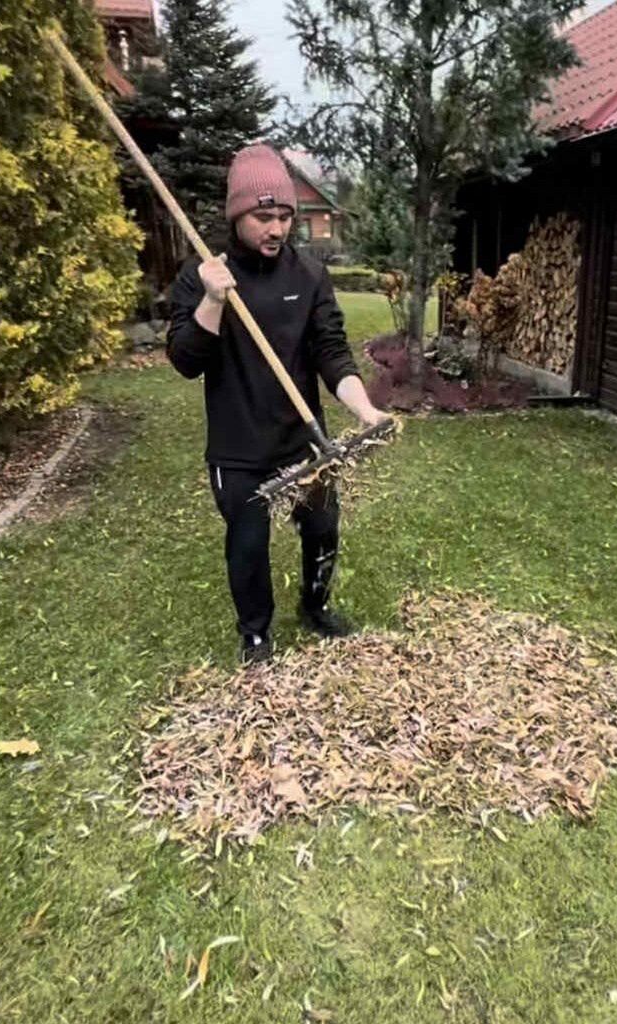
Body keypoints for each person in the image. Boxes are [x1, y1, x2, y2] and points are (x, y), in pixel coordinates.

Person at [166, 143, 387, 665]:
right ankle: (256, 635)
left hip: (302, 441)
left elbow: (331, 352)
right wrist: (212, 300)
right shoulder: (201, 276)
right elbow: (185, 361)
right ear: (237, 215)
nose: (277, 229)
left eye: (285, 217)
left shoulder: (307, 275)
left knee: (323, 527)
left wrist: (366, 411)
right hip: (238, 448)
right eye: (263, 217)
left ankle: (316, 605)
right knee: (247, 544)